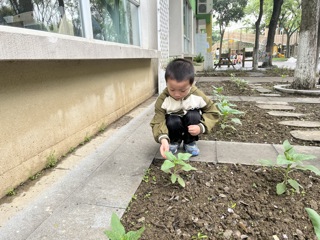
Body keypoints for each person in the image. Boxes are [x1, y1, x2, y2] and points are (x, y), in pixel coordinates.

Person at [150, 58, 219, 158]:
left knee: (194, 115)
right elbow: (158, 120)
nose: (177, 94)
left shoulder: (197, 95)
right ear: (166, 83)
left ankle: (189, 142)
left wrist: (201, 127)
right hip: (173, 124)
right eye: (172, 89)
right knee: (172, 120)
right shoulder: (163, 99)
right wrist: (163, 138)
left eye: (182, 91)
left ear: (191, 84)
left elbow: (212, 112)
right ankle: (174, 141)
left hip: (190, 121)